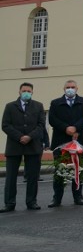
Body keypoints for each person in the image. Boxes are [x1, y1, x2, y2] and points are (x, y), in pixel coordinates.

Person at [2, 82, 46, 212]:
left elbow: (41, 125)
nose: (26, 92)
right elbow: (5, 125)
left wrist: (29, 137)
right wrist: (20, 136)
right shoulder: (10, 106)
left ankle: (31, 202)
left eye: (28, 90)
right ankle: (9, 203)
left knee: (32, 176)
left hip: (32, 145)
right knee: (11, 176)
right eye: (24, 90)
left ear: (32, 92)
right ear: (19, 92)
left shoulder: (38, 106)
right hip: (14, 145)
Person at [48, 80, 83, 207]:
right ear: (64, 89)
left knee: (78, 170)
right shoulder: (55, 103)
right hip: (60, 140)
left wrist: (76, 128)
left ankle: (78, 196)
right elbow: (52, 119)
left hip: (78, 141)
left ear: (77, 88)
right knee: (59, 170)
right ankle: (57, 198)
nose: (70, 89)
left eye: (72, 87)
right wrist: (66, 128)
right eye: (68, 87)